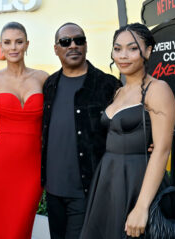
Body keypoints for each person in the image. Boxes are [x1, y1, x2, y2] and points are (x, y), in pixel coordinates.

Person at [79, 23, 175, 239]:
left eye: (132, 48)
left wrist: (141, 207)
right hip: (108, 182)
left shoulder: (157, 89)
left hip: (138, 182)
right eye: (117, 48)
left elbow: (162, 149)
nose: (123, 55)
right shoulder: (118, 91)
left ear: (148, 51)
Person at [41, 22, 121, 238]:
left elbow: (126, 126)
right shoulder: (49, 85)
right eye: (66, 42)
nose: (73, 45)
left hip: (88, 190)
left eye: (79, 40)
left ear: (86, 45)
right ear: (56, 49)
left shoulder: (107, 85)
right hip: (53, 191)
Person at [0, 22, 49, 238]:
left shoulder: (43, 78)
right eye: (7, 42)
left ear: (26, 45)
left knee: (21, 228)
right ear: (0, 47)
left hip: (32, 168)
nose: (13, 47)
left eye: (19, 42)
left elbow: (54, 122)